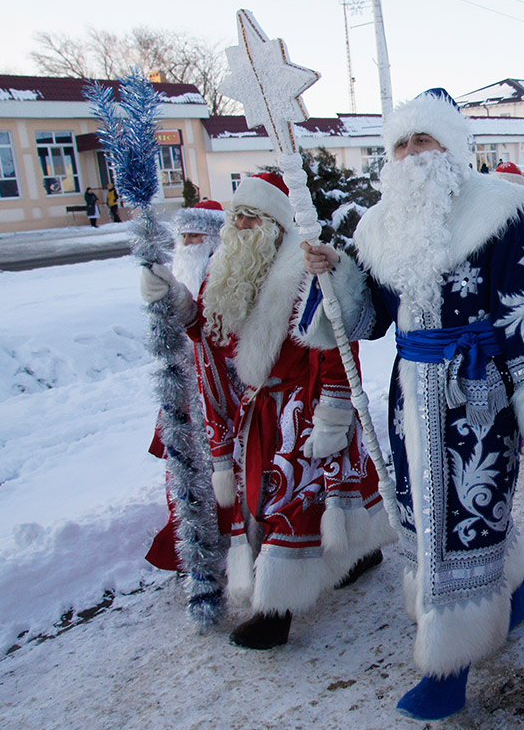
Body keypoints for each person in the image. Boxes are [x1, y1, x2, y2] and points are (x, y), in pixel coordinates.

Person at [300, 88, 524, 721]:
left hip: (477, 395)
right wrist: (336, 273)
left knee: (466, 515)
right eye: (402, 144)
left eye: (426, 140)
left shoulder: (497, 210)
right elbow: (368, 319)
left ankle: (447, 667)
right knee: (427, 514)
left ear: (453, 147)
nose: (413, 154)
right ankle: (513, 594)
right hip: (410, 397)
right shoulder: (381, 226)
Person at [140, 173, 395, 650]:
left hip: (305, 406)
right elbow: (213, 334)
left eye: (250, 215)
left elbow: (336, 345)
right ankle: (359, 555)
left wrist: (333, 411)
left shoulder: (303, 273)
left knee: (290, 500)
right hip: (256, 411)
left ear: (276, 223)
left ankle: (275, 609)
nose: (238, 223)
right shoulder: (229, 268)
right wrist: (178, 303)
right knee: (259, 500)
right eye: (236, 215)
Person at [145, 199, 227, 572]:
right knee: (186, 468)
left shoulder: (224, 277)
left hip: (220, 389)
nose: (189, 243)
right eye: (184, 236)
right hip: (184, 389)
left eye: (197, 235)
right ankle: (193, 542)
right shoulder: (178, 274)